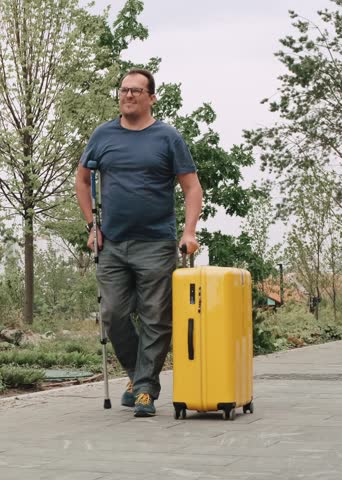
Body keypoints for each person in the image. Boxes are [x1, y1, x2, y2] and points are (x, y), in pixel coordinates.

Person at [75, 68, 203, 417]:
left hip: (156, 242)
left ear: (152, 97)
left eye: (136, 90)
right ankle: (137, 376)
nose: (128, 95)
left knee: (156, 318)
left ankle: (145, 389)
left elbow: (192, 187)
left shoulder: (167, 137)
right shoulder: (103, 135)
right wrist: (92, 226)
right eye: (123, 90)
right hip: (112, 243)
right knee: (112, 314)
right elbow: (82, 180)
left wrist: (189, 232)